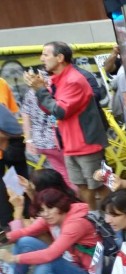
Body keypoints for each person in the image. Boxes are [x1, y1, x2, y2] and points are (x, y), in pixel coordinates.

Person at [22, 41, 108, 211]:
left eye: (46, 54)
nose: (41, 58)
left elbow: (60, 111)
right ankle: (91, 219)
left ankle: (109, 216)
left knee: (98, 185)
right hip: (69, 144)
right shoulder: (57, 79)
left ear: (60, 58)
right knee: (81, 186)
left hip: (86, 144)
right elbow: (49, 109)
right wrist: (41, 90)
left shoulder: (73, 80)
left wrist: (40, 90)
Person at [19, 72, 75, 191]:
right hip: (56, 140)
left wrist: (29, 140)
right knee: (71, 171)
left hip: (39, 142)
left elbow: (25, 116)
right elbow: (54, 115)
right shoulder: (51, 93)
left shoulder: (29, 94)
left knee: (61, 171)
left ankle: (67, 196)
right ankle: (76, 198)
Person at [0, 104, 28, 230]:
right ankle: (13, 221)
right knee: (15, 179)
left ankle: (21, 218)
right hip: (12, 138)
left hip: (12, 139)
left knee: (18, 180)